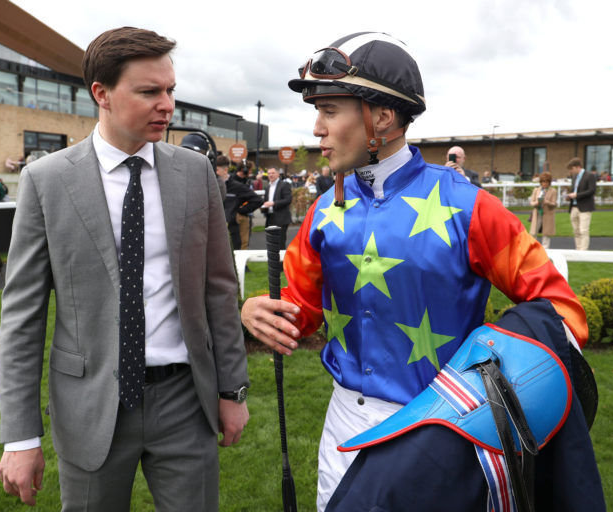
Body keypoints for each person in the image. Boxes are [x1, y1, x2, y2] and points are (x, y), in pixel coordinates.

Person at [240, 31, 588, 511]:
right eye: (316, 112)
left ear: (382, 117)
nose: (317, 128)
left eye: (330, 110)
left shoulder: (471, 208)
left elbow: (563, 314)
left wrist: (480, 395)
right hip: (341, 427)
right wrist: (259, 310)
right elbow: (301, 312)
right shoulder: (324, 210)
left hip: (441, 432)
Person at [0, 27, 249, 510]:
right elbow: (21, 319)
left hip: (184, 401)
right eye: (150, 91)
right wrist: (20, 437)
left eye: (171, 90)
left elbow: (220, 289)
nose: (167, 105)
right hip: (89, 407)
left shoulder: (195, 174)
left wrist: (232, 389)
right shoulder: (46, 181)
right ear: (102, 94)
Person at [214, 155, 262, 249]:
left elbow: (258, 200)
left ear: (225, 170)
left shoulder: (237, 186)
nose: (214, 173)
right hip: (215, 228)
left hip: (231, 230)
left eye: (216, 170)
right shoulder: (211, 185)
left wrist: (240, 211)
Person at [565, 157, 596, 251]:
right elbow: (574, 190)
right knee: (576, 230)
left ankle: (583, 250)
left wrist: (576, 195)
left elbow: (592, 191)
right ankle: (578, 249)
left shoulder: (589, 175)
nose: (571, 171)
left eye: (572, 169)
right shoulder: (574, 177)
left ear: (578, 167)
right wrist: (570, 196)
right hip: (574, 206)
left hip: (585, 207)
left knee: (583, 230)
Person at [261, 167, 292, 250]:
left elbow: (288, 200)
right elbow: (266, 201)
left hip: (281, 218)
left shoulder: (284, 185)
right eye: (269, 173)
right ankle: (273, 262)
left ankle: (281, 263)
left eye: (273, 173)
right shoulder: (268, 187)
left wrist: (273, 203)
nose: (271, 175)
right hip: (270, 218)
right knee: (271, 243)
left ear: (278, 174)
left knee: (280, 243)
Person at [528, 171, 557, 249]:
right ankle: (533, 248)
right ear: (541, 182)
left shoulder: (553, 191)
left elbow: (554, 204)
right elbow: (531, 202)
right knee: (533, 232)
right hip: (537, 213)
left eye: (547, 182)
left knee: (546, 233)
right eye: (543, 181)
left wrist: (547, 202)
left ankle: (546, 250)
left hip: (547, 214)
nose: (545, 183)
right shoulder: (536, 190)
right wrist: (537, 202)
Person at [233, 162, 253, 249]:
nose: (251, 172)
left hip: (244, 214)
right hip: (232, 215)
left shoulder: (247, 181)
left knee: (244, 242)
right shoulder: (231, 180)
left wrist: (243, 210)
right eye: (250, 170)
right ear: (243, 170)